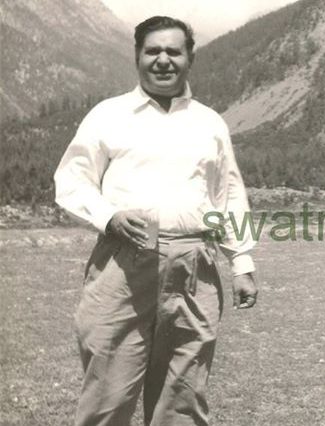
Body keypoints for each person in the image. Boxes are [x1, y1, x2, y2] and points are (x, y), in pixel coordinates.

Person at [54, 16, 258, 426]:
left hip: (194, 264)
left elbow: (229, 195)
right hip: (124, 262)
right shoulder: (108, 115)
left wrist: (242, 262)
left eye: (173, 52)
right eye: (153, 51)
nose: (163, 60)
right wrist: (109, 216)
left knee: (183, 395)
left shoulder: (209, 122)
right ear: (137, 56)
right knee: (108, 394)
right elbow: (71, 180)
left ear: (189, 58)